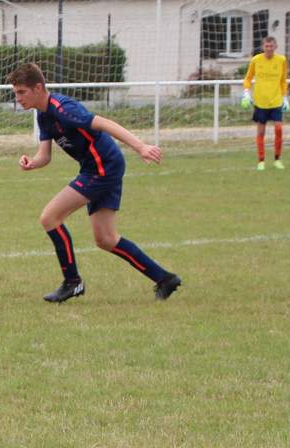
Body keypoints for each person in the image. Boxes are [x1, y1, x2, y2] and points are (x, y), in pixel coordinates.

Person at [9, 63, 182, 303]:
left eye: (21, 92)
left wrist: (141, 147)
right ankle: (165, 279)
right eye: (15, 92)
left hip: (103, 168)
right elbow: (45, 156)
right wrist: (31, 163)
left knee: (49, 217)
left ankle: (73, 282)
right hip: (100, 167)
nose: (17, 98)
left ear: (38, 87)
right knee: (106, 239)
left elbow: (104, 123)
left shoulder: (63, 109)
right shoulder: (43, 115)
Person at [241, 35, 289, 171]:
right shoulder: (256, 60)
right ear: (263, 47)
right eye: (266, 46)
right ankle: (261, 161)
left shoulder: (281, 60)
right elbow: (248, 78)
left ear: (275, 47)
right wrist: (246, 93)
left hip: (276, 101)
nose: (269, 48)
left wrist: (285, 97)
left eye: (271, 46)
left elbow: (283, 80)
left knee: (279, 129)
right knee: (261, 132)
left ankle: (277, 159)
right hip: (261, 102)